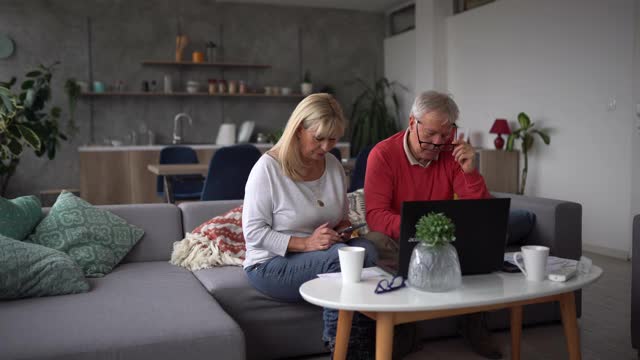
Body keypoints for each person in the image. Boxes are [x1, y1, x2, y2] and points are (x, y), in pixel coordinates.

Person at [364, 90, 502, 359]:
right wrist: (422, 229)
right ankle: (406, 327)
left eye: (445, 134)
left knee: (482, 236)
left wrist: (470, 173)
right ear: (412, 122)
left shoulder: (453, 154)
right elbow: (376, 215)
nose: (438, 143)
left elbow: (480, 211)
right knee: (376, 242)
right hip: (400, 234)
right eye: (430, 134)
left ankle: (473, 322)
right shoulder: (382, 154)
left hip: (445, 233)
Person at [243, 93, 378, 359]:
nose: (327, 146)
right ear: (298, 130)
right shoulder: (268, 169)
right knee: (338, 261)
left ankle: (368, 341)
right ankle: (343, 349)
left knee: (368, 253)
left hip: (321, 252)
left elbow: (339, 216)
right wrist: (307, 243)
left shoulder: (333, 166)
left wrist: (341, 229)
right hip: (270, 264)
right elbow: (254, 232)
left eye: (333, 139)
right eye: (319, 138)